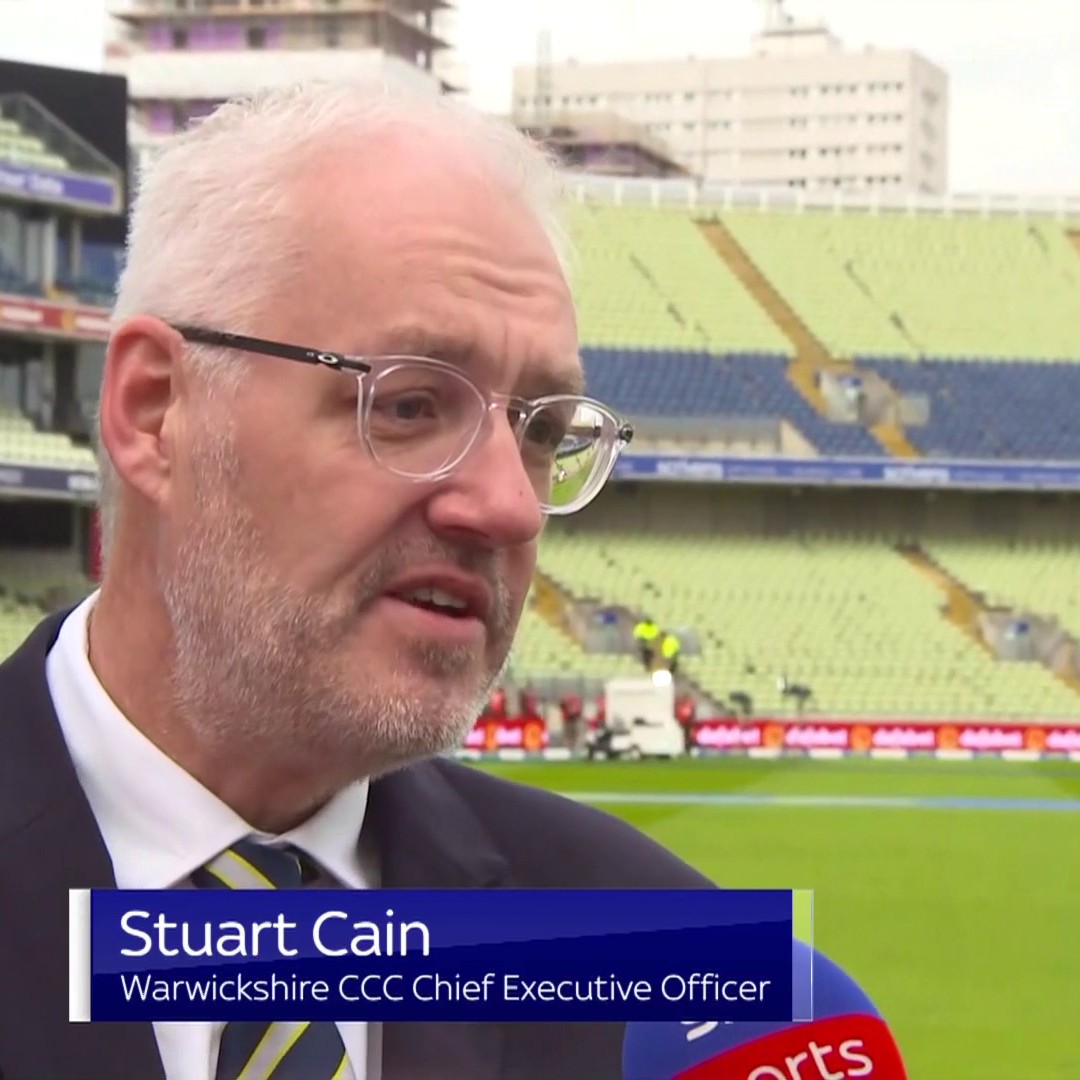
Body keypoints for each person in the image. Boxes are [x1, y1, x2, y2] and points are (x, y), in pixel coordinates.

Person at [0, 79, 711, 1080]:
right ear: (156, 412)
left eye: (544, 432)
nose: (509, 506)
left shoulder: (664, 958)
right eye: (410, 405)